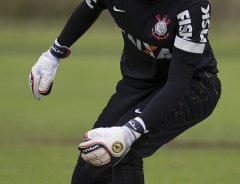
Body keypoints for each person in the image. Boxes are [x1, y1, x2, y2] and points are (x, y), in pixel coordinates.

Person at [29, 0, 221, 183]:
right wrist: (53, 54)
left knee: (122, 150)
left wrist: (131, 131)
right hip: (137, 84)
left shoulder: (193, 6)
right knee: (92, 158)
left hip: (194, 86)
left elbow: (177, 82)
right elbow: (90, 7)